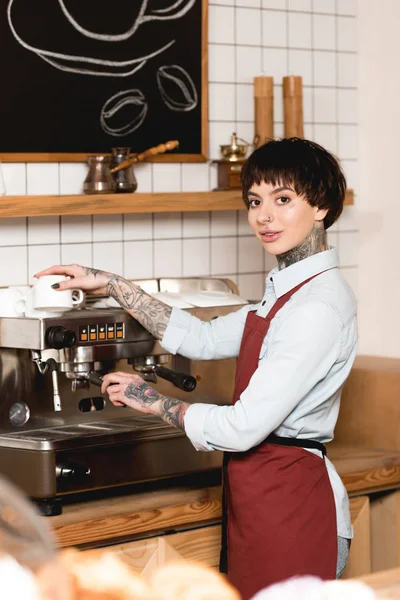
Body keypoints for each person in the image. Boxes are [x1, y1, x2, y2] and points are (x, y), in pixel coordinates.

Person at [36, 138, 357, 600]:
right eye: (254, 201)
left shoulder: (316, 308)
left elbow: (243, 427)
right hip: (264, 497)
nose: (264, 217)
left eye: (282, 199)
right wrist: (111, 284)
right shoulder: (287, 294)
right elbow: (202, 338)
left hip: (295, 505)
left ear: (322, 205)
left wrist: (152, 400)